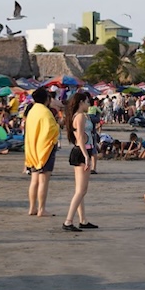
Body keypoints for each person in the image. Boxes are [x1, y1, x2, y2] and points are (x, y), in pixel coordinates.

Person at [62, 92, 96, 232]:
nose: (89, 104)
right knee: (82, 190)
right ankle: (68, 221)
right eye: (87, 102)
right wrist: (86, 156)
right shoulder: (80, 116)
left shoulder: (79, 116)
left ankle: (83, 220)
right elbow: (81, 138)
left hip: (81, 151)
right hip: (82, 152)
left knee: (80, 190)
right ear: (81, 102)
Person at [25, 87, 60, 217]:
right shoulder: (45, 112)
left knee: (34, 180)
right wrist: (57, 126)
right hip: (44, 149)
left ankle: (32, 207)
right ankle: (41, 209)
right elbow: (51, 131)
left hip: (32, 149)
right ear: (46, 99)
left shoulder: (32, 110)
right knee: (43, 180)